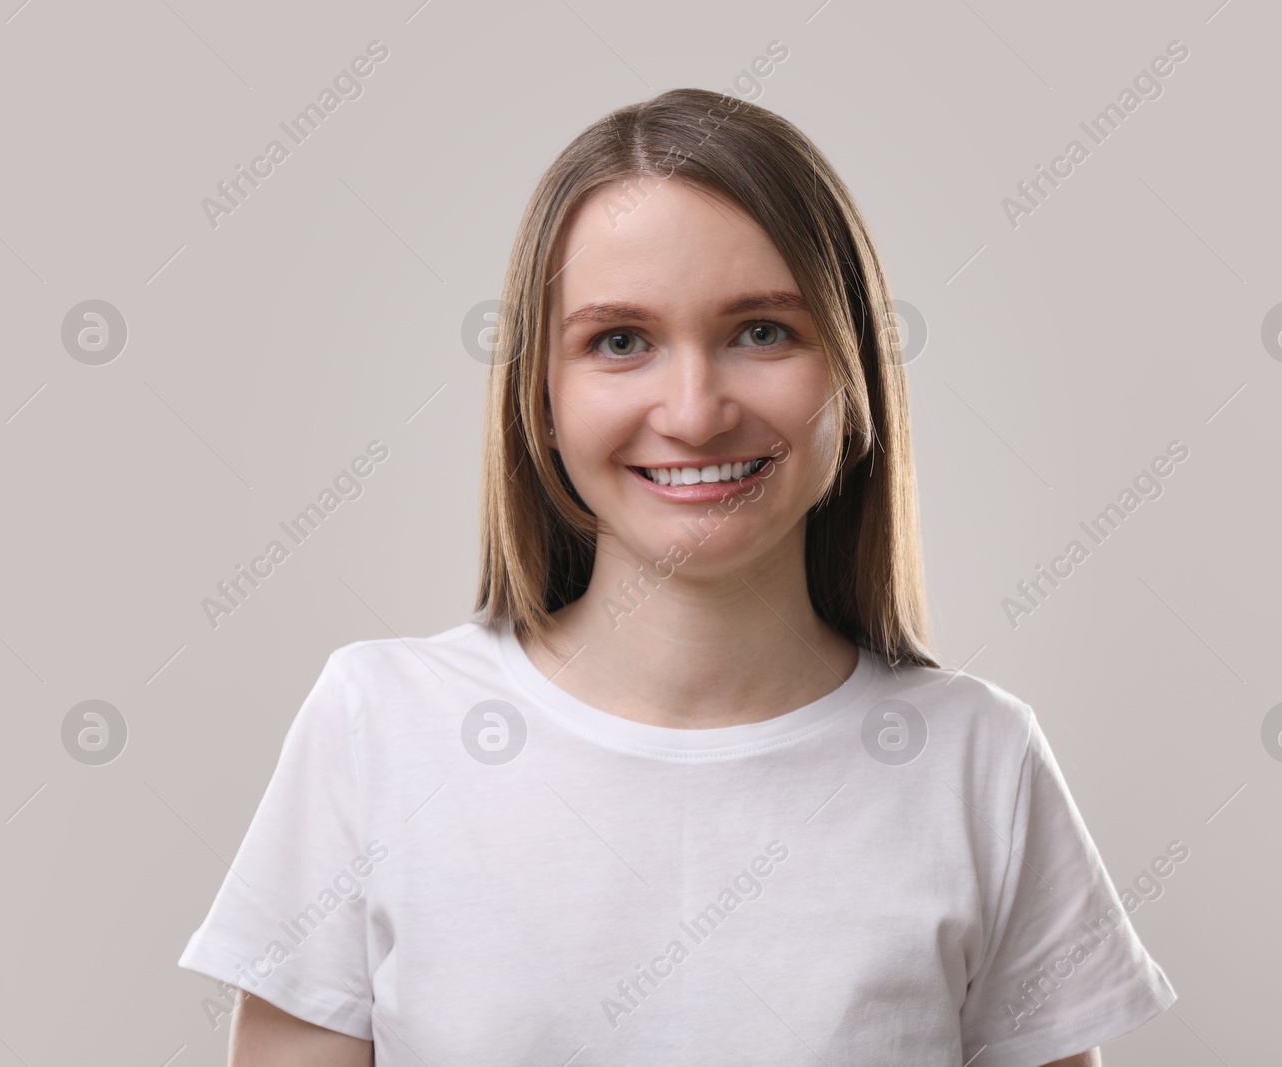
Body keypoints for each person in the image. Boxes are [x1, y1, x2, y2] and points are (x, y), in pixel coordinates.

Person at [177, 86, 1177, 1066]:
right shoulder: (378, 725)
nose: (694, 411)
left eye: (761, 330)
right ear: (542, 393)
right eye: (620, 341)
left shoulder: (978, 762)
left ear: (855, 371)